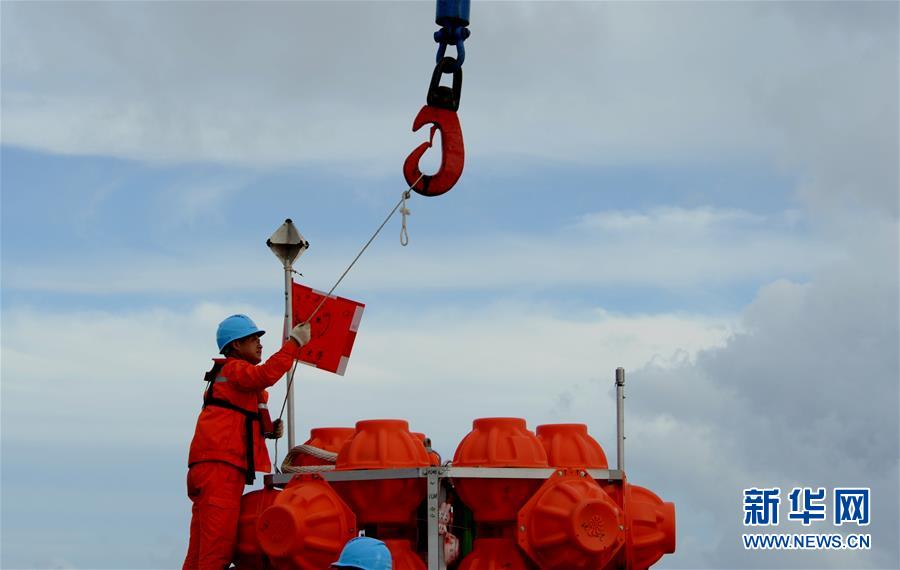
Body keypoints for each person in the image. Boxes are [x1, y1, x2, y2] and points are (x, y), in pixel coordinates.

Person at [183, 314, 311, 570]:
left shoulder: (234, 378)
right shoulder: (235, 369)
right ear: (235, 345)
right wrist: (294, 343)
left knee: (200, 549)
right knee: (217, 548)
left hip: (210, 468)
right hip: (220, 469)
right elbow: (265, 375)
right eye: (253, 339)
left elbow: (236, 417)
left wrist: (268, 430)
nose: (259, 343)